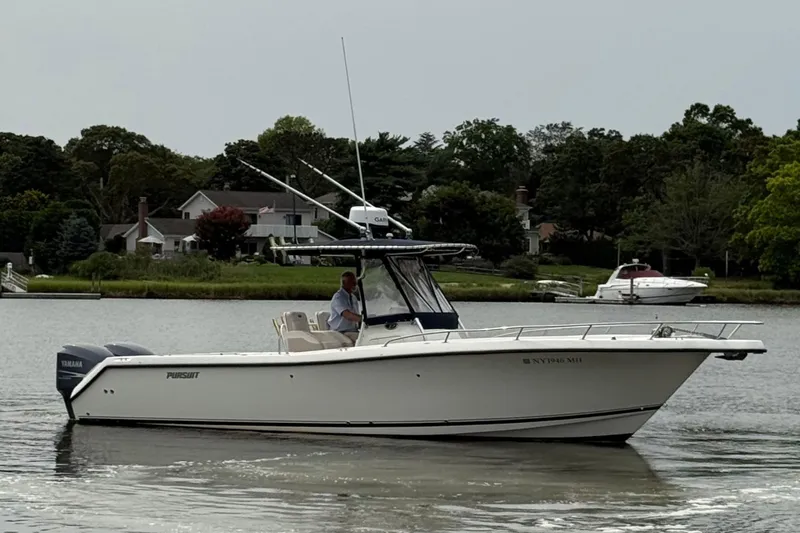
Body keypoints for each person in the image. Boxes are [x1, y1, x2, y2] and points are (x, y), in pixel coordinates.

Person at [328, 271, 362, 342]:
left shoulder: (353, 298)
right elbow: (347, 315)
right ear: (344, 283)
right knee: (362, 339)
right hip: (340, 332)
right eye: (351, 282)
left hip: (352, 331)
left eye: (355, 281)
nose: (355, 284)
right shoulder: (338, 297)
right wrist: (363, 319)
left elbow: (356, 317)